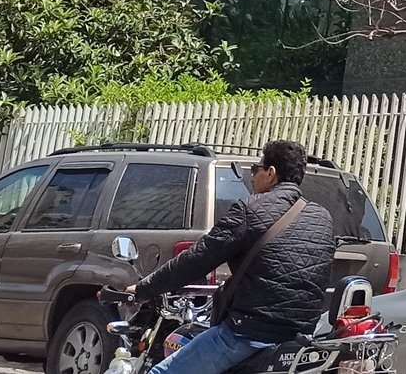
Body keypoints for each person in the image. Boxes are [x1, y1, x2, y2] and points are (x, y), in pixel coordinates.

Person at [132, 139, 335, 374]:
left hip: (248, 332)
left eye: (256, 169)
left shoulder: (250, 209)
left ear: (271, 173)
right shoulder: (323, 218)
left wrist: (142, 289)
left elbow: (197, 259)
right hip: (299, 336)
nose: (252, 176)